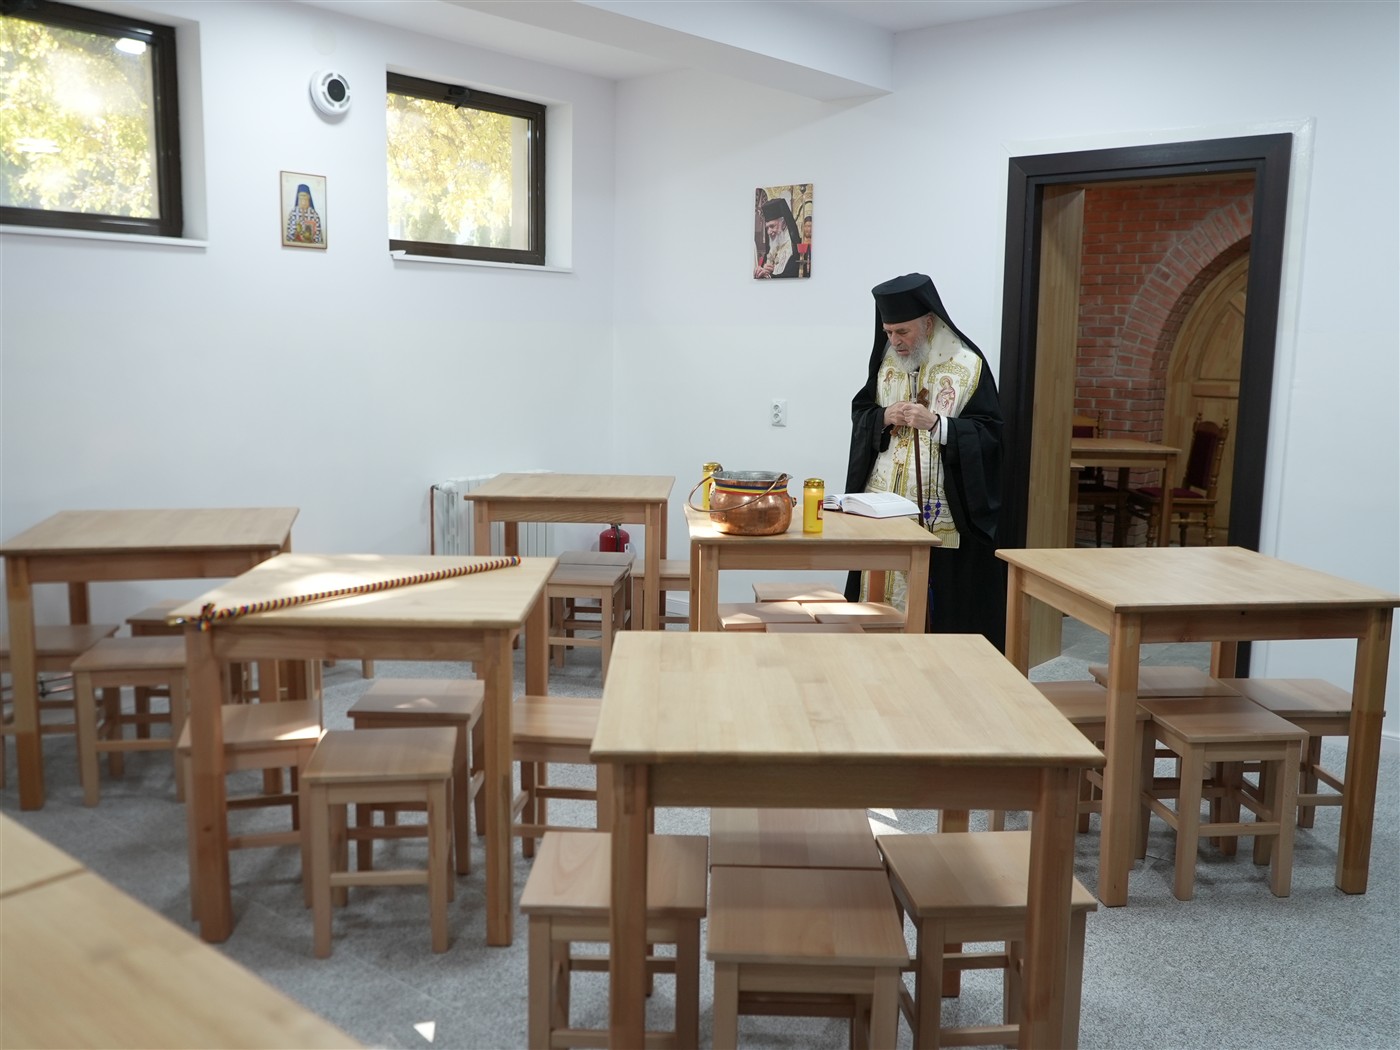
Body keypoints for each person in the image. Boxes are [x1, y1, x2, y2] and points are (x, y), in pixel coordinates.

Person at [843, 272, 1007, 648]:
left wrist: (938, 425)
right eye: (888, 332)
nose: (895, 342)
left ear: (928, 323)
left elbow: (990, 435)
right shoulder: (886, 364)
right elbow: (862, 412)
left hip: (942, 514)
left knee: (942, 615)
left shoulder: (967, 365)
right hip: (882, 510)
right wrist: (884, 416)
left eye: (903, 332)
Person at [753, 197, 801, 278]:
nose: (769, 232)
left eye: (772, 226)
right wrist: (761, 271)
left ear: (784, 224)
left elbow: (791, 277)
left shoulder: (794, 250)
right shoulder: (771, 250)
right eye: (767, 228)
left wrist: (769, 275)